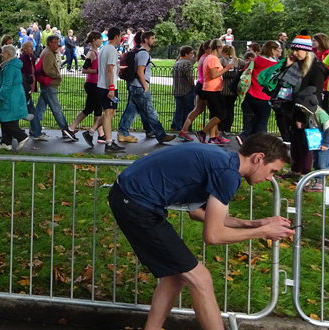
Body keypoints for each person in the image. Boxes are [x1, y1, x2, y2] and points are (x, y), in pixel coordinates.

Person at [108, 133, 293, 330]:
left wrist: (255, 224)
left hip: (131, 198)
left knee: (175, 276)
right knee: (200, 278)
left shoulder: (223, 160)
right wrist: (263, 232)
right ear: (258, 158)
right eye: (272, 171)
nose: (269, 178)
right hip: (135, 203)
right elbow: (213, 236)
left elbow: (198, 213)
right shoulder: (229, 174)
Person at [273, 32, 329, 179]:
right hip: (292, 107)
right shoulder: (297, 65)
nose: (295, 53)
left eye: (298, 50)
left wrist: (303, 117)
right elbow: (282, 82)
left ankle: (306, 173)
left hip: (306, 110)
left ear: (307, 50)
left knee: (305, 142)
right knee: (295, 140)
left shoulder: (316, 69)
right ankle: (295, 169)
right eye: (293, 49)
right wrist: (287, 65)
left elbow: (315, 95)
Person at [116, 31, 176, 144]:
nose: (154, 40)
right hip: (140, 87)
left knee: (131, 111)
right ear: (145, 40)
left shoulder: (141, 52)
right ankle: (161, 135)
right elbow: (140, 71)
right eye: (152, 38)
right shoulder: (144, 54)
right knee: (151, 112)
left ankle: (123, 132)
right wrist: (145, 87)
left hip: (135, 86)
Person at [30, 34, 78, 142]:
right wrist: (58, 76)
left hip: (47, 84)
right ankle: (65, 130)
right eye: (55, 43)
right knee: (56, 109)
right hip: (50, 85)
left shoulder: (49, 52)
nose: (57, 45)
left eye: (58, 42)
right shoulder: (48, 53)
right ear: (49, 43)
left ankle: (34, 128)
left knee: (40, 109)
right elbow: (47, 70)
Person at [237, 41, 280, 145]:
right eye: (278, 49)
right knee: (262, 121)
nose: (280, 51)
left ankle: (245, 137)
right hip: (264, 95)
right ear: (272, 50)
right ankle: (258, 142)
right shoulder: (274, 64)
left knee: (257, 117)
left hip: (251, 93)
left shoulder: (256, 60)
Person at [197, 39, 233, 144]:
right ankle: (202, 132)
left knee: (214, 114)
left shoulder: (208, 57)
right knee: (221, 114)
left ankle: (213, 137)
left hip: (211, 88)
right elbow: (213, 75)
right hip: (211, 89)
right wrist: (226, 69)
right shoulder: (213, 59)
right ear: (220, 47)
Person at [73, 32, 106, 147]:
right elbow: (84, 69)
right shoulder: (91, 53)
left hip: (95, 84)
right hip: (92, 84)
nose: (101, 41)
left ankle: (71, 128)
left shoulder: (96, 52)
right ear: (93, 40)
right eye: (99, 39)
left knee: (88, 109)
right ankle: (100, 135)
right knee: (98, 109)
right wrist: (98, 71)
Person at [0, 44, 30, 151]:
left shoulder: (9, 67)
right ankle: (6, 142)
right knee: (10, 118)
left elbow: (6, 85)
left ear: (8, 54)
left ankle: (21, 136)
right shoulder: (14, 65)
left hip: (9, 97)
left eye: (3, 52)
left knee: (4, 118)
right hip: (16, 96)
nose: (1, 54)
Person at [95, 27, 124, 152]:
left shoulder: (103, 48)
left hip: (102, 85)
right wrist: (111, 88)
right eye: (120, 36)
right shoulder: (112, 50)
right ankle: (109, 143)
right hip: (108, 86)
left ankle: (91, 131)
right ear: (116, 36)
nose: (121, 38)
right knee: (108, 115)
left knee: (111, 113)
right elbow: (109, 70)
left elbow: (108, 67)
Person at [178, 41, 213, 142]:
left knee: (197, 109)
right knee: (215, 112)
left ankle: (184, 130)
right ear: (209, 48)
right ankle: (212, 134)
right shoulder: (207, 58)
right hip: (206, 86)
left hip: (200, 84)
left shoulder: (202, 58)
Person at [218, 45, 244, 136]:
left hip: (223, 88)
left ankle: (221, 128)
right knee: (230, 109)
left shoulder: (221, 60)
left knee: (222, 109)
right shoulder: (237, 61)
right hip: (233, 89)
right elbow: (248, 64)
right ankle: (227, 128)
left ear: (223, 51)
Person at [171, 46, 196, 133]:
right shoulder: (187, 63)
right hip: (186, 90)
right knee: (188, 111)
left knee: (179, 110)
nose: (192, 55)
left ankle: (178, 127)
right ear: (186, 54)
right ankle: (186, 128)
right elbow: (190, 76)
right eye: (191, 53)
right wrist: (193, 85)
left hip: (177, 90)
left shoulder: (177, 63)